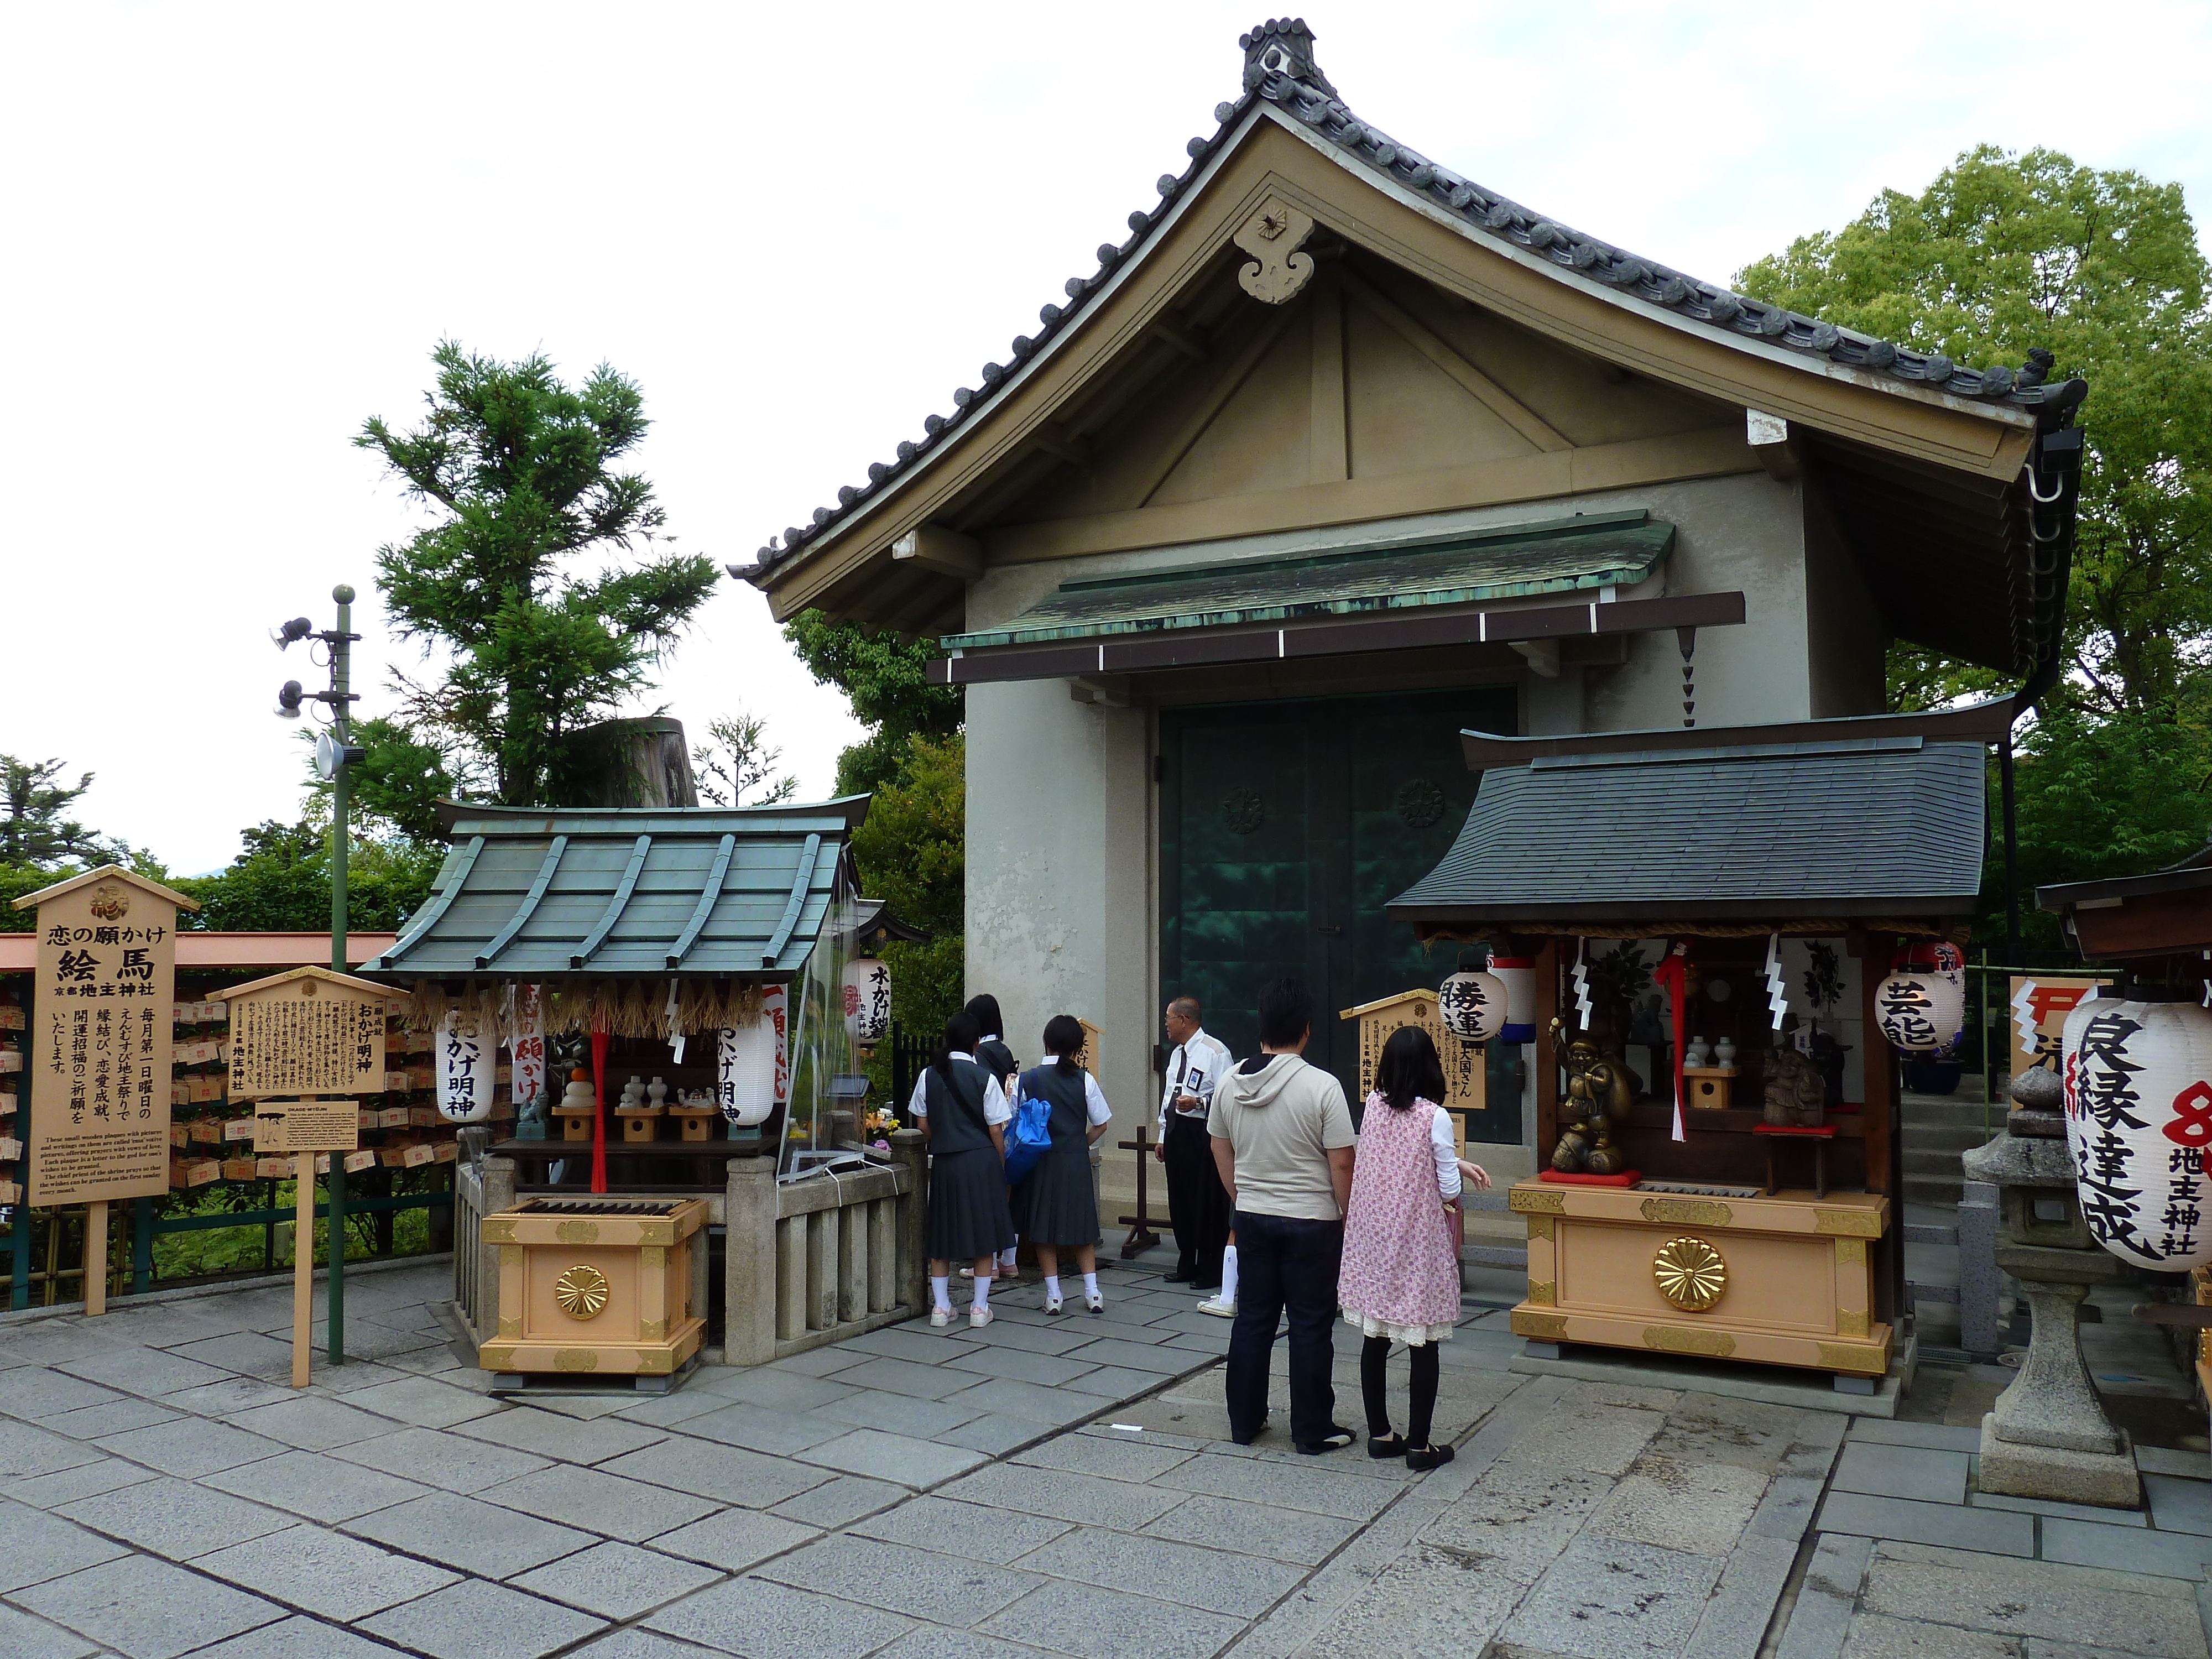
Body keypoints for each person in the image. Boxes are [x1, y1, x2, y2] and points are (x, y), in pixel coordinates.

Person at [1209, 975, 1359, 1454]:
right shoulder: (1322, 1086)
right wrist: (1346, 1213)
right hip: (1312, 1220)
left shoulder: (1230, 1083)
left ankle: (1244, 1422)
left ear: (1262, 1026)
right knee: (1311, 1325)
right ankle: (1312, 1429)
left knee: (1253, 1319)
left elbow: (1219, 1145)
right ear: (1307, 1030)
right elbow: (1342, 1161)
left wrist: (1241, 1194)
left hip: (1252, 1215)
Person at [1338, 1025, 1490, 1472]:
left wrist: (1450, 1161)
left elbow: (1392, 1154)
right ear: (1430, 1067)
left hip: (1373, 1236)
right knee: (1423, 1341)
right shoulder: (1435, 1116)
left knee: (1376, 1336)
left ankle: (1381, 1434)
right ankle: (1420, 1446)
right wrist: (1453, 1174)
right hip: (1415, 1237)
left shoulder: (1372, 1105)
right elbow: (1445, 1184)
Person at [912, 1010, 1016, 1328]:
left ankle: (941, 1309)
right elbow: (997, 1129)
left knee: (942, 1234)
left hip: (945, 1161)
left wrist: (944, 1140)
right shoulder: (985, 1078)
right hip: (982, 1160)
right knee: (984, 1234)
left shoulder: (928, 1075)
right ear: (976, 1043)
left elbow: (922, 1123)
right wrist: (998, 1160)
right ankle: (979, 1308)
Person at [1012, 1015, 1114, 1314]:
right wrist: (1080, 1143)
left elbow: (1015, 1119)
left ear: (1046, 1043)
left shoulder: (1027, 1079)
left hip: (1040, 1160)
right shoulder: (1085, 1079)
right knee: (1082, 1227)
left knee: (1043, 1229)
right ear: (1076, 1048)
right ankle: (1093, 1292)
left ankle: (1054, 1295)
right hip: (1074, 1161)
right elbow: (1102, 1124)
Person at [1156, 997, 1234, 1293]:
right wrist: (1164, 1136)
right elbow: (1168, 1098)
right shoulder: (1177, 1055)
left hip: (1204, 1132)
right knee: (1180, 1200)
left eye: (1169, 1018)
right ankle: (1186, 1261)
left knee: (1207, 1201)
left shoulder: (1216, 1052)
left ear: (1185, 1020)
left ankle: (1210, 1268)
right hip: (1178, 1131)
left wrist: (1199, 1102)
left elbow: (1228, 1098)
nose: (1166, 1024)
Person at [964, 993, 1022, 1282]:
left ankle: (988, 1264)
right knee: (1007, 1197)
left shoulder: (978, 1057)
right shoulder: (1004, 1051)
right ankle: (1009, 1259)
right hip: (1011, 1135)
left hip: (987, 1135)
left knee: (985, 1201)